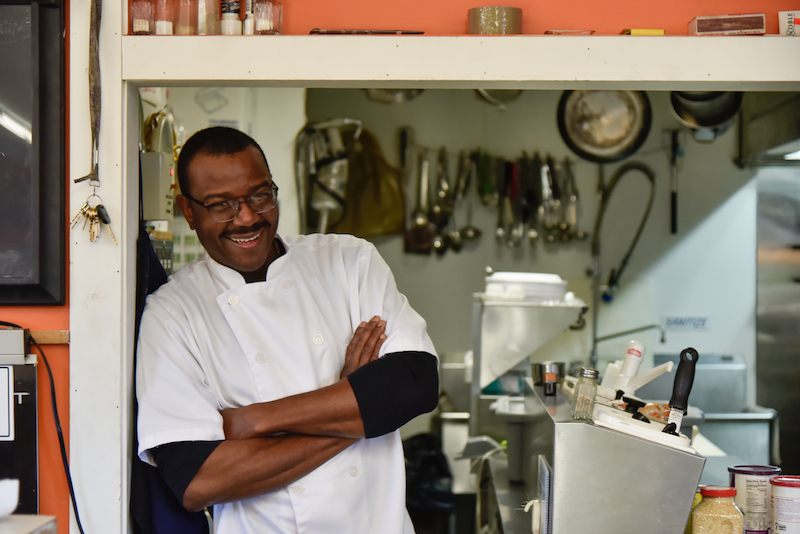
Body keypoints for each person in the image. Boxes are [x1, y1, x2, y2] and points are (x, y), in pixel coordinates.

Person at [136, 126, 439, 533]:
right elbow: (198, 480)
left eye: (260, 195)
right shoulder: (173, 314)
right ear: (188, 211)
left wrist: (254, 421)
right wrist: (358, 407)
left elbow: (414, 383)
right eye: (221, 205)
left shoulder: (348, 261)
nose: (246, 217)